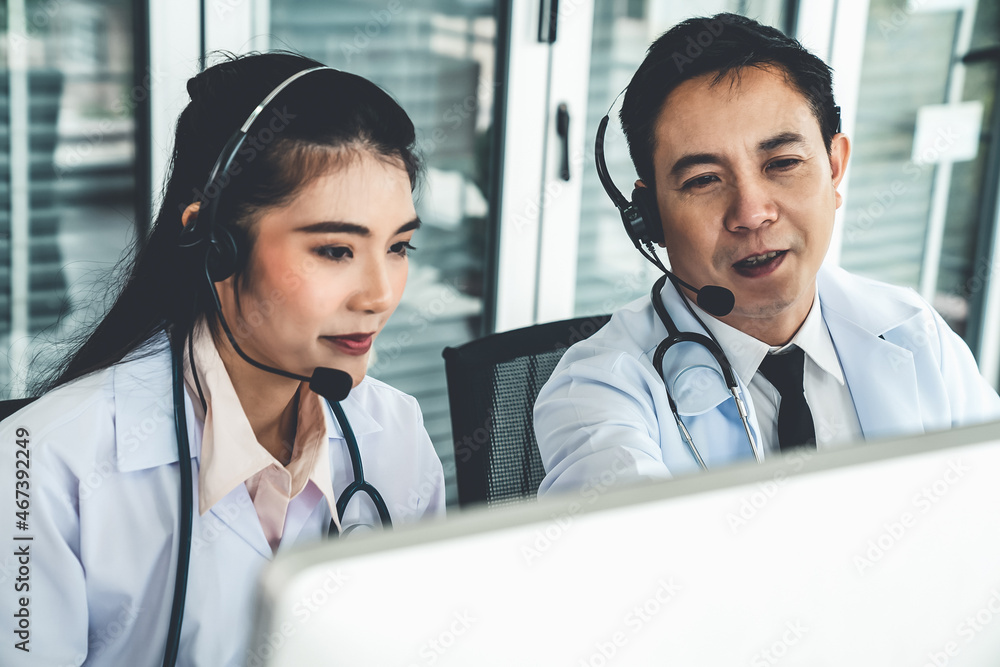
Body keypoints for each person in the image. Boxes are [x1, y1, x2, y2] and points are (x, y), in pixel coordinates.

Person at [0, 52, 445, 666]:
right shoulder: (42, 464)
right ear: (214, 247)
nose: (380, 295)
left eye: (399, 247)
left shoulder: (395, 431)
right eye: (336, 250)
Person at [533, 13, 1000, 498]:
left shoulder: (913, 332)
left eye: (782, 163)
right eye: (703, 181)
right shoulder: (596, 393)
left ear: (835, 168)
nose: (752, 213)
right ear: (650, 217)